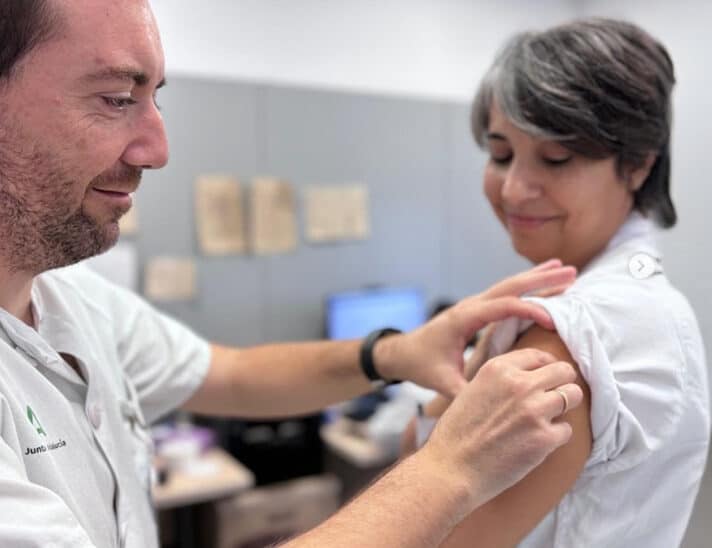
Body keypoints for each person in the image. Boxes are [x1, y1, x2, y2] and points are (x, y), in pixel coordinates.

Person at [0, 1, 586, 547]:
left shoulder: (75, 301)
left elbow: (231, 375)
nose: (157, 149)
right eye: (115, 99)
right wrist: (453, 468)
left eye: (156, 100)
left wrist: (395, 354)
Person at [404, 18, 711, 547]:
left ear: (637, 164)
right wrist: (464, 373)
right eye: (500, 154)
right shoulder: (623, 296)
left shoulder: (572, 333)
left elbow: (422, 535)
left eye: (556, 157)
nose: (515, 189)